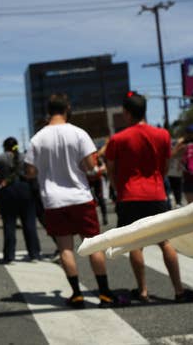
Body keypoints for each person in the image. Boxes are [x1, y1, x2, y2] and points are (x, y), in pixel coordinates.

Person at [25, 93, 122, 309]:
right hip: (80, 197)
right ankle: (105, 294)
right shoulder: (79, 134)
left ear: (49, 111)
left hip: (53, 200)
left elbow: (30, 171)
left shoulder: (37, 138)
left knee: (65, 248)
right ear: (67, 109)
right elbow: (90, 167)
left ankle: (77, 294)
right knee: (94, 244)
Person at [105, 92, 193, 304]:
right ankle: (178, 290)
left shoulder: (118, 139)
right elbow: (165, 166)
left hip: (129, 195)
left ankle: (143, 291)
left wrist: (117, 187)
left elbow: (111, 170)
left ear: (126, 113)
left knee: (135, 244)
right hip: (156, 193)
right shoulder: (162, 135)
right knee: (165, 242)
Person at [0, 137, 40, 263]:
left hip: (7, 190)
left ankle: (9, 256)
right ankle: (34, 254)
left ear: (5, 147)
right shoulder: (25, 157)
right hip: (25, 189)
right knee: (29, 223)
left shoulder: (1, 157)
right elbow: (35, 170)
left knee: (9, 224)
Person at [172, 124, 193, 204]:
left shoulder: (184, 146)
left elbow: (172, 155)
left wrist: (179, 142)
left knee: (192, 209)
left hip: (189, 180)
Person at [86, 151, 108, 225]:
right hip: (87, 180)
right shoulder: (83, 155)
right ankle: (92, 218)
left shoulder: (96, 155)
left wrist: (98, 170)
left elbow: (103, 165)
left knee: (100, 197)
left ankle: (104, 216)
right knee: (91, 199)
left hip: (96, 179)